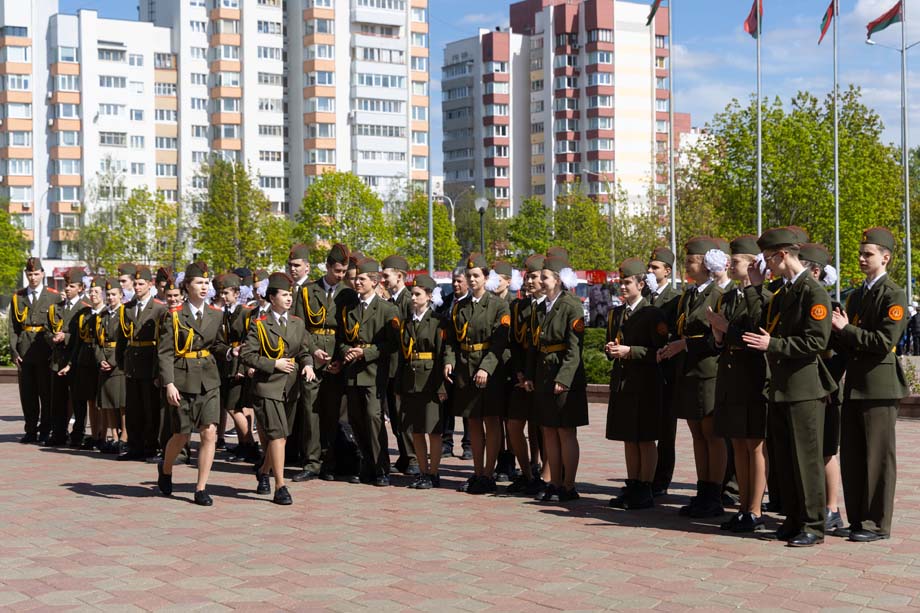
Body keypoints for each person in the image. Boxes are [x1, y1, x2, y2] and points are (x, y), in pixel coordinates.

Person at [744, 227, 836, 547]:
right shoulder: (784, 292)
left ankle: (813, 524)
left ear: (783, 255)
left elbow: (816, 341)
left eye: (769, 259)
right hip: (782, 386)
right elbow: (760, 322)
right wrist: (754, 287)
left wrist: (774, 345)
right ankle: (794, 519)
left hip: (804, 388)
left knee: (806, 459)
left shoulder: (813, 291)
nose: (766, 265)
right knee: (785, 459)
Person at [831, 227, 908, 542]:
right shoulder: (856, 295)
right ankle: (858, 518)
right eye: (861, 254)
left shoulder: (894, 294)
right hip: (855, 384)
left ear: (885, 258)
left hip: (879, 385)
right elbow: (847, 342)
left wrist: (846, 329)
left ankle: (876, 523)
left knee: (878, 458)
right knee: (853, 456)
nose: (862, 258)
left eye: (869, 254)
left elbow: (883, 341)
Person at [656, 237, 726, 518]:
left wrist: (684, 345)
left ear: (706, 264)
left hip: (708, 371)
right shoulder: (689, 295)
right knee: (697, 434)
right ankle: (703, 491)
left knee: (712, 435)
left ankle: (715, 494)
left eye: (691, 260)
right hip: (688, 370)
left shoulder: (718, 295)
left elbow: (716, 338)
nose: (686, 265)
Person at [706, 236, 768, 532]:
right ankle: (743, 507)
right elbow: (721, 342)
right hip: (731, 377)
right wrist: (718, 337)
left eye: (737, 260)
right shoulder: (728, 296)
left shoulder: (764, 296)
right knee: (738, 444)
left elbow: (756, 333)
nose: (730, 264)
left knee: (754, 445)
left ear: (754, 264)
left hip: (753, 376)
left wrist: (726, 328)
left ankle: (755, 509)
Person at [157, 262, 230, 507]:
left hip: (209, 379)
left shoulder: (216, 314)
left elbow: (217, 345)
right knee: (181, 434)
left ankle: (201, 488)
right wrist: (169, 383)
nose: (204, 287)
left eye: (206, 283)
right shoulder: (174, 315)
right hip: (182, 379)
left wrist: (230, 352)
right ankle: (166, 468)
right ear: (187, 286)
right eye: (199, 282)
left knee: (209, 432)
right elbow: (165, 352)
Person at [241, 272, 316, 505]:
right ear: (272, 298)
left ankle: (264, 471)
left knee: (281, 438)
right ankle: (280, 486)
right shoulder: (260, 324)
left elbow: (303, 350)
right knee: (278, 436)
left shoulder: (297, 323)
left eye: (290, 294)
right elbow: (247, 354)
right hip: (267, 386)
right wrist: (273, 363)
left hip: (290, 387)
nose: (289, 298)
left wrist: (308, 364)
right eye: (284, 295)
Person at [443, 253, 511, 495]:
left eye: (476, 276)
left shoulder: (498, 305)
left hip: (488, 370)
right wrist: (449, 361)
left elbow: (500, 341)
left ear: (486, 277)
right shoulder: (460, 306)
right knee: (472, 422)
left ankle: (489, 474)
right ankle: (478, 471)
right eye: (469, 276)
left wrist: (486, 367)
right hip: (465, 368)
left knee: (491, 421)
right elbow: (451, 340)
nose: (471, 280)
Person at [606, 258, 668, 510]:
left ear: (641, 284)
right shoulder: (616, 313)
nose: (623, 287)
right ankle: (632, 484)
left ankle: (645, 487)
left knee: (645, 438)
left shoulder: (652, 313)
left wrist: (630, 351)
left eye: (628, 282)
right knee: (628, 437)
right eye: (621, 282)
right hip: (623, 383)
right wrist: (611, 350)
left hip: (645, 384)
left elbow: (660, 351)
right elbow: (614, 341)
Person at [526, 253, 589, 502]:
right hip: (544, 375)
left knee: (565, 431)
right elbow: (534, 345)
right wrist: (530, 375)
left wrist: (563, 378)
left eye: (545, 277)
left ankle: (568, 485)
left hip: (565, 377)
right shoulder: (542, 307)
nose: (540, 281)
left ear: (558, 279)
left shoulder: (571, 305)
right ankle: (554, 482)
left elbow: (575, 349)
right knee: (549, 431)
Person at [334, 258, 399, 486]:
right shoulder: (349, 308)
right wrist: (346, 352)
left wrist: (366, 353)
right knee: (357, 420)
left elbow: (392, 344)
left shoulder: (387, 309)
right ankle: (367, 466)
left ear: (374, 281)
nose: (357, 282)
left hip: (373, 372)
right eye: (356, 279)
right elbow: (342, 339)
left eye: (362, 279)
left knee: (374, 419)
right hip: (353, 372)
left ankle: (381, 468)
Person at [297, 244, 355, 482]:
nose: (341, 275)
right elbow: (300, 327)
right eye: (337, 270)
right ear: (328, 266)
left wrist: (340, 359)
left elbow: (349, 331)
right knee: (311, 412)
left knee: (332, 414)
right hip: (312, 358)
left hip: (335, 360)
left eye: (344, 271)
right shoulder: (307, 291)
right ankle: (312, 462)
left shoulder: (348, 293)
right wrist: (312, 351)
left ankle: (329, 462)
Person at [799, 243, 846, 534]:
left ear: (815, 271)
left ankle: (832, 508)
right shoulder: (800, 300)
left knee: (826, 450)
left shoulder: (830, 305)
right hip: (807, 386)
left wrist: (827, 384)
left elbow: (840, 354)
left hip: (824, 387)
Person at [398, 274, 447, 489]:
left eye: (418, 294)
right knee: (416, 430)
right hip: (411, 380)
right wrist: (400, 385)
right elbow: (402, 355)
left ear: (429, 296)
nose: (413, 298)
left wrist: (442, 386)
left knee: (433, 430)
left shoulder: (437, 321)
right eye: (412, 294)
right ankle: (422, 471)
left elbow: (442, 354)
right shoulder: (407, 322)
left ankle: (434, 473)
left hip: (430, 381)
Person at [505, 254, 546, 495]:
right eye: (527, 277)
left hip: (542, 375)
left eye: (534, 277)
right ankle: (528, 474)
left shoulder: (550, 306)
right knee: (514, 425)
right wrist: (519, 373)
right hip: (521, 377)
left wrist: (533, 375)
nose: (529, 281)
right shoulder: (518, 306)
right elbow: (514, 343)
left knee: (544, 429)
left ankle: (548, 476)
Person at [118, 266, 168, 462]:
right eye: (135, 284)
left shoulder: (159, 308)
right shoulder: (127, 308)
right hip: (132, 363)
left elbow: (163, 343)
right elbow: (122, 338)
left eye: (141, 284)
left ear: (150, 284)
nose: (137, 287)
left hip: (150, 363)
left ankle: (151, 446)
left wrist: (159, 370)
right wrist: (121, 362)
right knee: (133, 408)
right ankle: (135, 446)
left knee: (150, 408)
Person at [9, 257, 57, 444]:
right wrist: (14, 351)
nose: (33, 277)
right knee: (27, 393)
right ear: (26, 274)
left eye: (36, 274)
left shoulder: (53, 296)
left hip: (45, 349)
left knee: (46, 393)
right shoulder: (18, 297)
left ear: (43, 274)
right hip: (25, 349)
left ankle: (45, 430)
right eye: (30, 274)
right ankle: (30, 430)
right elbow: (13, 327)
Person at [646, 247, 681, 497]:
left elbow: (675, 332)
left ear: (667, 271)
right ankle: (644, 476)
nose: (650, 271)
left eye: (654, 267)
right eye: (649, 267)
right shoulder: (644, 295)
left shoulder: (675, 298)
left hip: (665, 369)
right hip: (645, 368)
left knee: (666, 430)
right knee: (646, 426)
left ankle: (661, 479)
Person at [380, 254, 419, 476]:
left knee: (405, 415)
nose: (383, 280)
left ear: (400, 276)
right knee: (395, 416)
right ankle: (405, 456)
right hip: (390, 367)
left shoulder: (408, 300)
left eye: (387, 276)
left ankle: (413, 457)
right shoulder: (391, 301)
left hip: (403, 367)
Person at [45, 268, 89, 447]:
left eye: (72, 286)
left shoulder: (84, 309)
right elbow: (46, 330)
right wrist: (52, 338)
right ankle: (58, 432)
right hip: (58, 360)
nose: (68, 289)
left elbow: (83, 336)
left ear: (80, 288)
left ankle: (78, 434)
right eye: (66, 285)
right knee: (58, 399)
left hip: (75, 360)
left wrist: (66, 337)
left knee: (78, 400)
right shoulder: (56, 308)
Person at [63, 274, 106, 450]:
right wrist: (71, 363)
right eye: (91, 291)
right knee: (90, 400)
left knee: (101, 402)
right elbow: (77, 342)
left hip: (100, 361)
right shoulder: (84, 314)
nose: (93, 295)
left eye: (97, 292)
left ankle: (103, 435)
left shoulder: (107, 313)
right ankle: (94, 436)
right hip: (85, 360)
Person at [287, 244, 318, 475]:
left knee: (308, 409)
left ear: (307, 267)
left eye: (297, 265)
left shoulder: (313, 289)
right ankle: (290, 451)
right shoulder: (288, 289)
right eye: (290, 265)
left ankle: (309, 457)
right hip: (289, 355)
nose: (293, 268)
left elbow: (310, 326)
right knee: (290, 405)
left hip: (308, 353)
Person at [436, 267, 472, 460]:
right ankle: (446, 442)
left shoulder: (471, 302)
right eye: (454, 281)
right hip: (447, 358)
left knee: (466, 403)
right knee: (446, 402)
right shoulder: (446, 301)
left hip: (466, 358)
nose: (456, 284)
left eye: (459, 281)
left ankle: (469, 444)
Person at [95, 278, 127, 454]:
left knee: (121, 403)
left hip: (119, 362)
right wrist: (101, 358)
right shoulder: (102, 315)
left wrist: (113, 361)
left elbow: (126, 341)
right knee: (107, 402)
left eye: (114, 294)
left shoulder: (125, 313)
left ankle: (124, 437)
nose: (110, 298)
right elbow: (96, 342)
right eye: (108, 295)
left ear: (121, 295)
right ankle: (114, 436)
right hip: (104, 360)